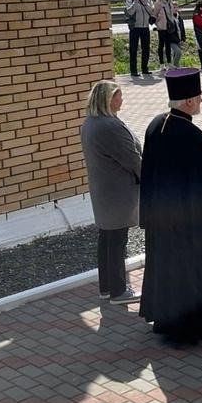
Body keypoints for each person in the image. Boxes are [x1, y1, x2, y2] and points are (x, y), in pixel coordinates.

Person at [139, 68, 202, 345]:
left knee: (166, 269)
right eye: (198, 97)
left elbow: (147, 174)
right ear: (187, 101)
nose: (201, 101)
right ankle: (189, 327)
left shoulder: (154, 125)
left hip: (160, 218)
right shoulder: (194, 137)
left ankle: (166, 320)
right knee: (189, 272)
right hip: (188, 221)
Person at [79, 80, 142, 305]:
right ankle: (118, 291)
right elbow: (132, 158)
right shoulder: (110, 126)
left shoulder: (90, 123)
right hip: (118, 192)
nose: (122, 99)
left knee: (106, 238)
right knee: (117, 240)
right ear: (108, 99)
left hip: (103, 189)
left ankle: (105, 287)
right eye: (118, 96)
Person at [125, 0, 155, 78]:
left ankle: (145, 69)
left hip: (145, 27)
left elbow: (152, 11)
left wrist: (144, 2)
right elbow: (130, 11)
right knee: (133, 49)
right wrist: (136, 2)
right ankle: (133, 71)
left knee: (146, 49)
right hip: (134, 28)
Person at [152, 0, 179, 71]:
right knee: (161, 45)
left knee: (168, 45)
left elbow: (171, 14)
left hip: (169, 27)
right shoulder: (158, 3)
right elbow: (154, 15)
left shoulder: (170, 2)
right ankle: (161, 64)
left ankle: (169, 63)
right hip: (162, 27)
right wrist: (158, 24)